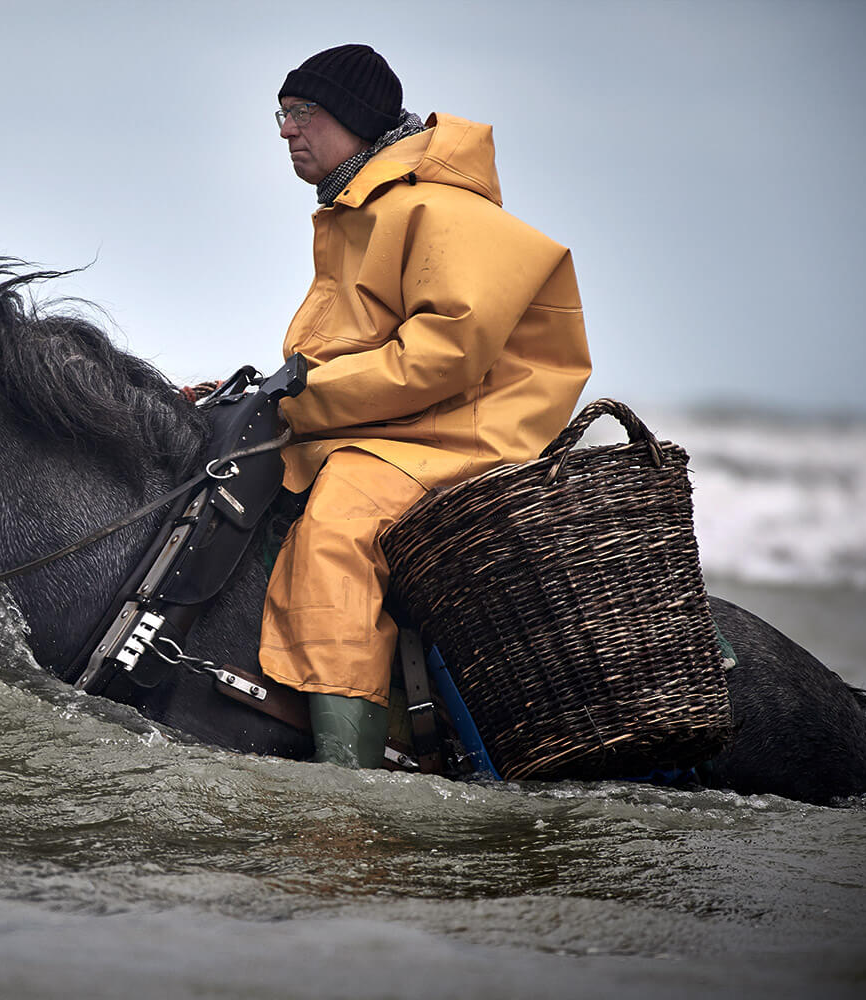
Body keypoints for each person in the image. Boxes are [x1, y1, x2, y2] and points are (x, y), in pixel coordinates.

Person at [260, 44, 593, 767]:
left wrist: (301, 400)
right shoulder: (364, 208)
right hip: (405, 425)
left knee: (335, 533)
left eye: (302, 113)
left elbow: (445, 354)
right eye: (281, 114)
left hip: (465, 434)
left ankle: (348, 783)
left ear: (352, 118)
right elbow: (347, 350)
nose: (287, 130)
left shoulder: (438, 207)